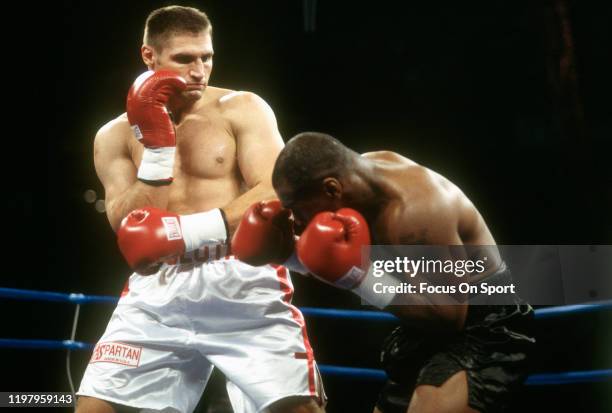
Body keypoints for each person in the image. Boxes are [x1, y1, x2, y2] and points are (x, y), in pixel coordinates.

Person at [77, 7, 325, 413]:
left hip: (242, 280)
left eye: (206, 57)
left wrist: (185, 232)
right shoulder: (114, 135)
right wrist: (157, 151)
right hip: (160, 288)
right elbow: (129, 228)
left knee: (299, 409)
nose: (198, 71)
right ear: (149, 57)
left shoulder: (242, 108)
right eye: (184, 59)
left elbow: (275, 192)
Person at [231, 132, 535, 413]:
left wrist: (358, 278)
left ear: (331, 188)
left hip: (483, 323)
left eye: (296, 208)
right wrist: (290, 256)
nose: (295, 222)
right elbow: (338, 260)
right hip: (428, 318)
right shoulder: (359, 182)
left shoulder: (416, 212)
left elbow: (449, 316)